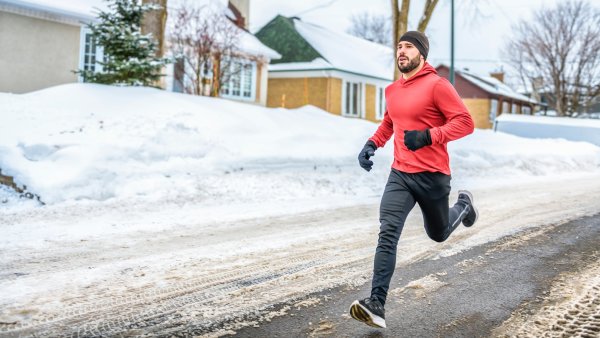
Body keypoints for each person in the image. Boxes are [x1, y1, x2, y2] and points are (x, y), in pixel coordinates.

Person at [349, 31, 478, 329]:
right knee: (388, 231)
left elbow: (465, 123)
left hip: (433, 176)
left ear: (422, 53)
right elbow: (389, 122)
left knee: (439, 233)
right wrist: (372, 144)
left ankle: (464, 205)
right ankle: (376, 303)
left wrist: (430, 135)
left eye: (408, 47)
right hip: (401, 174)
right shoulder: (393, 90)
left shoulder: (437, 85)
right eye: (399, 47)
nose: (401, 52)